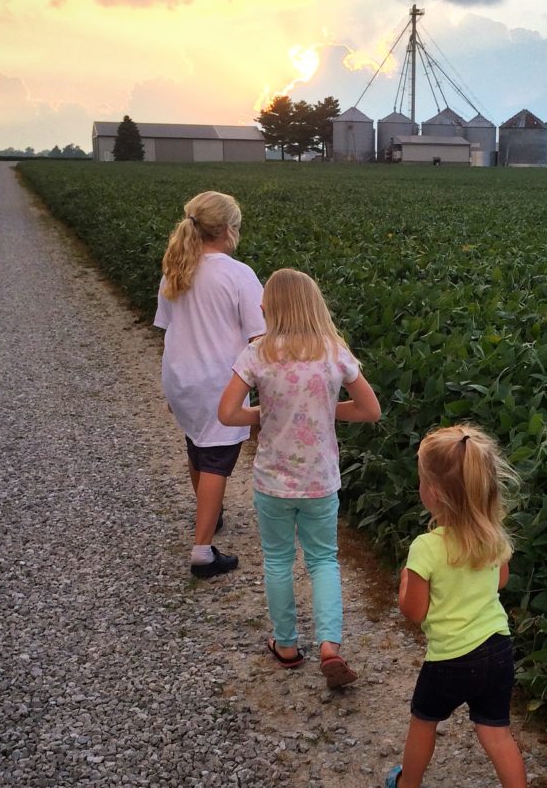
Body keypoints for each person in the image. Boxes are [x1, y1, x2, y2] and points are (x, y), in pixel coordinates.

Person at [217, 268, 380, 688]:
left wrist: (267, 413)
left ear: (270, 307)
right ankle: (330, 646)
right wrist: (326, 410)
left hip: (272, 479)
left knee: (278, 560)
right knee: (323, 560)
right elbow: (369, 410)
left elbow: (228, 414)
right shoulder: (333, 351)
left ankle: (286, 645)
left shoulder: (257, 353)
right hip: (320, 480)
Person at [386, 424, 543, 788]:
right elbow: (499, 583)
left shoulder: (427, 547)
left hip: (450, 660)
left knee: (424, 720)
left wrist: (405, 580)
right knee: (497, 733)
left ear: (434, 493)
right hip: (498, 649)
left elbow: (414, 611)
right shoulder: (494, 534)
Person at [154, 191, 265, 580]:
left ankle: (210, 513)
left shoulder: (175, 267)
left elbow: (166, 325)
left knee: (196, 444)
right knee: (218, 458)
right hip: (218, 380)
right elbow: (259, 339)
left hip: (179, 376)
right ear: (229, 230)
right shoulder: (239, 274)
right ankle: (202, 551)